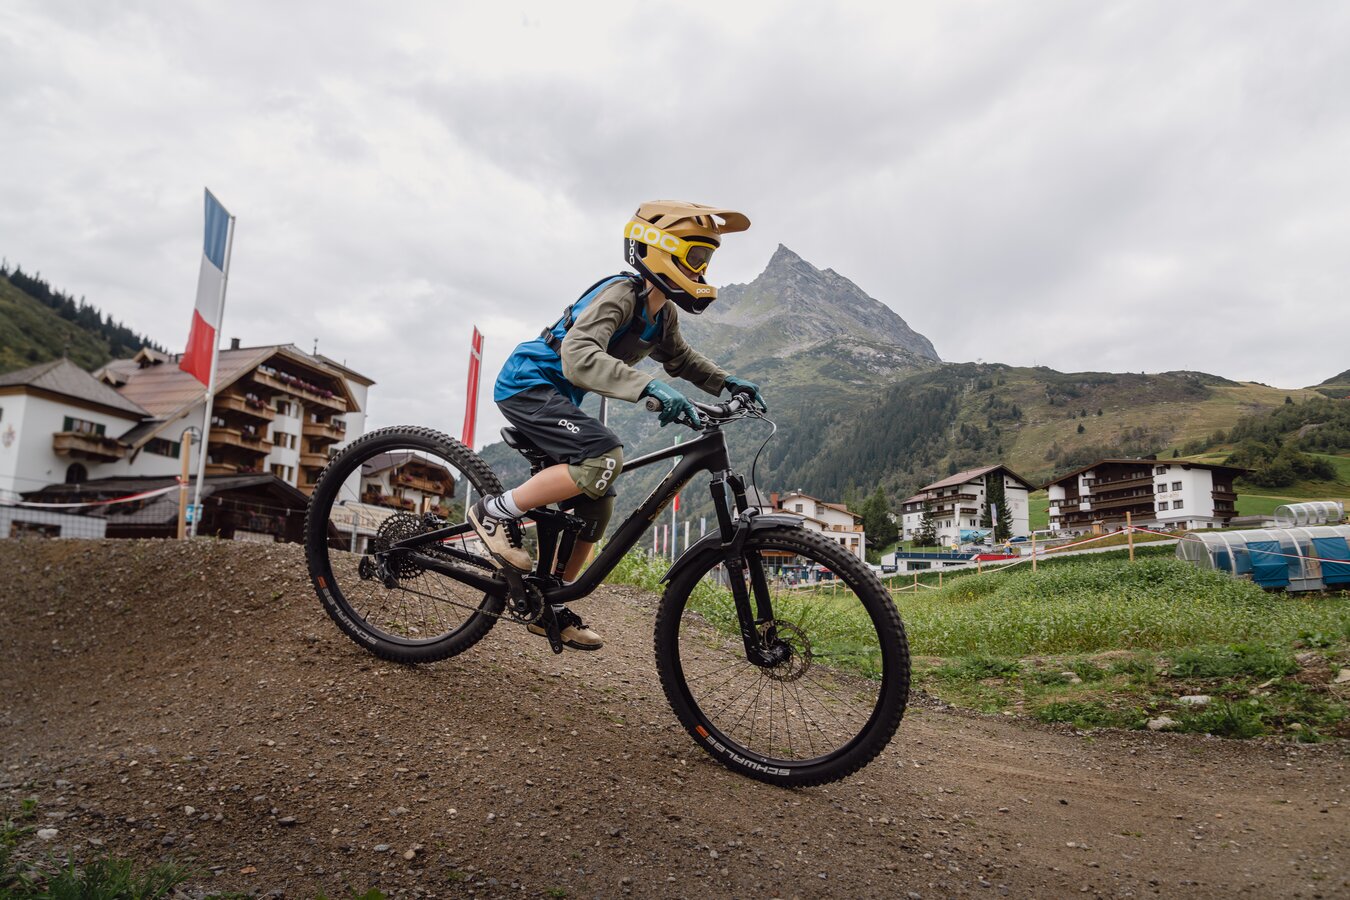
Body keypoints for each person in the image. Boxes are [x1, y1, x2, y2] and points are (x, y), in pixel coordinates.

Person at [468, 200, 767, 650]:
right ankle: (493, 512)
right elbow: (577, 355)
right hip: (526, 385)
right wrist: (648, 387)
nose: (702, 269)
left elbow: (681, 359)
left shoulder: (661, 313)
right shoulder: (621, 294)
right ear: (661, 250)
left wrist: (726, 382)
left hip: (558, 397)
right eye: (696, 256)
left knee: (598, 498)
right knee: (603, 455)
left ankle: (550, 601)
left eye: (706, 259)